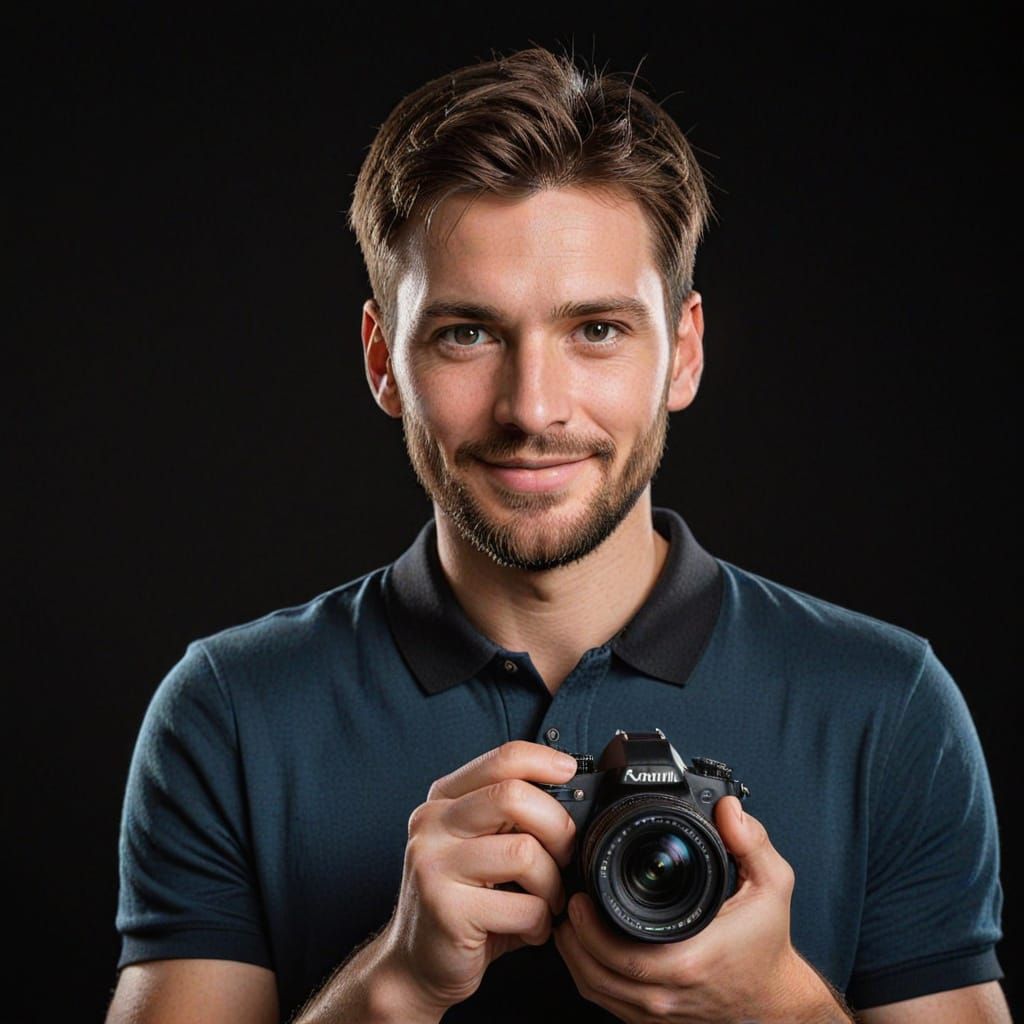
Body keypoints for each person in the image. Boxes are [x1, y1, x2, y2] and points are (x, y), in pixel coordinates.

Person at [104, 47, 1008, 1024]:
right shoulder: (232, 712)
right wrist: (396, 984)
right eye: (467, 334)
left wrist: (775, 1006)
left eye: (596, 331)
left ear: (684, 351)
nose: (532, 408)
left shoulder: (885, 704)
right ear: (382, 361)